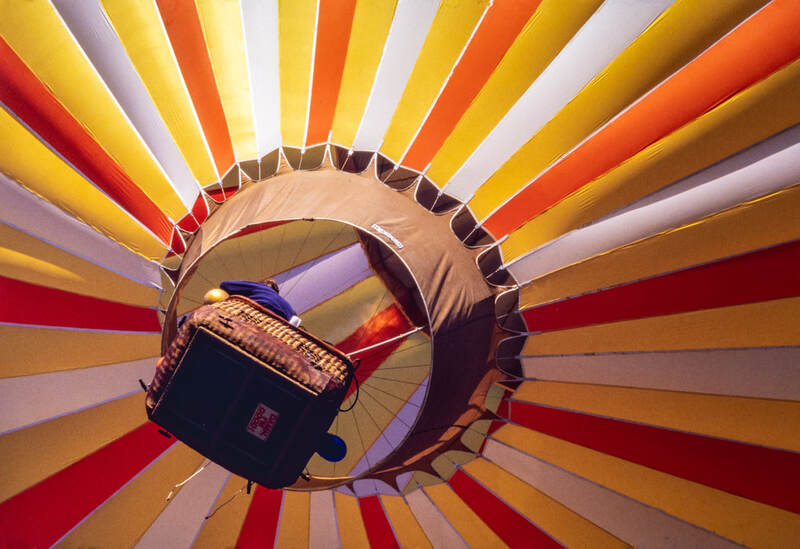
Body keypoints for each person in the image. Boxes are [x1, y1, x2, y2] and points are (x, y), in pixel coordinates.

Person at [219, 278, 301, 326]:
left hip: (253, 317)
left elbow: (225, 285)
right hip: (276, 330)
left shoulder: (259, 287)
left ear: (264, 284)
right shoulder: (289, 308)